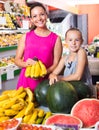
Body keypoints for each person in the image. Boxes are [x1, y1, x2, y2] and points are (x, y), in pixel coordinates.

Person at [14, 2, 62, 91]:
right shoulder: (25, 37)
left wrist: (44, 73)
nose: (39, 18)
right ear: (31, 19)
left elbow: (56, 63)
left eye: (42, 14)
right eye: (35, 16)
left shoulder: (56, 39)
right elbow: (17, 59)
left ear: (46, 16)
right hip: (25, 82)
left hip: (45, 84)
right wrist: (25, 64)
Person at [49, 27, 96, 97]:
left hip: (83, 91)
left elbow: (78, 76)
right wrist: (52, 76)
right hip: (70, 91)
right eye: (70, 40)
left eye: (77, 40)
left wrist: (60, 78)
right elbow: (53, 73)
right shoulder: (65, 58)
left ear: (82, 41)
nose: (73, 43)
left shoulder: (81, 52)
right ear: (66, 41)